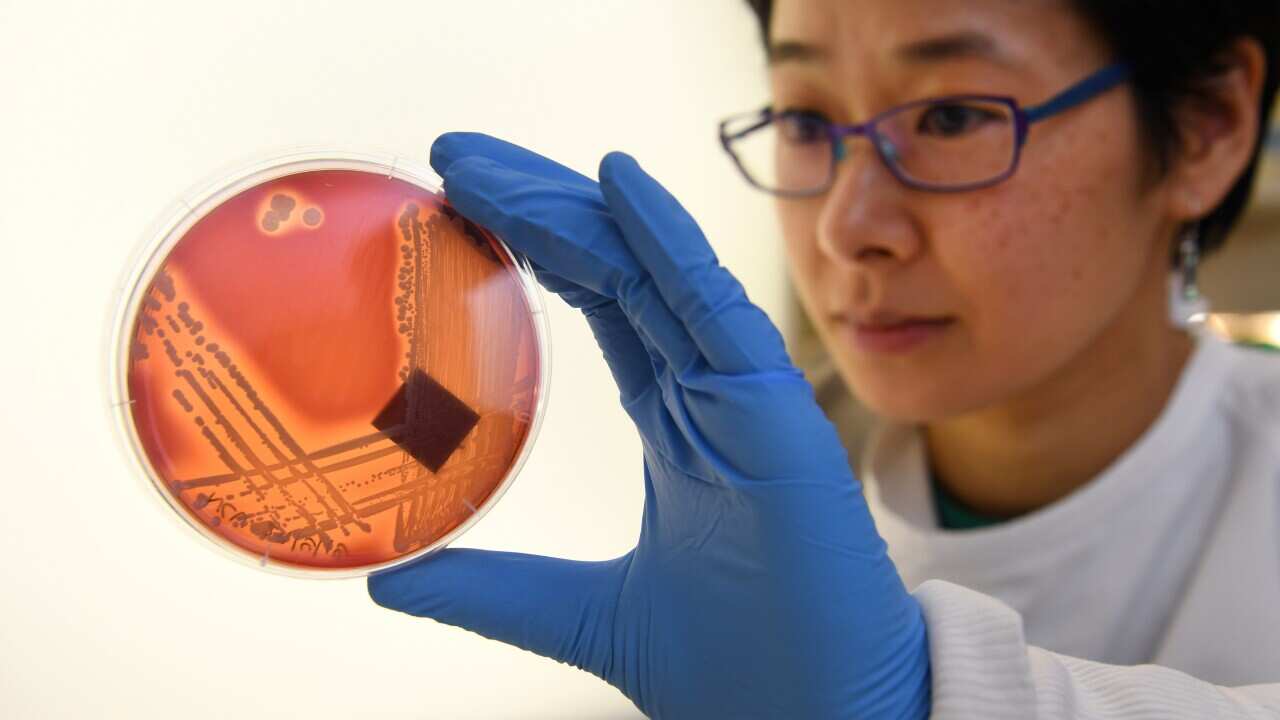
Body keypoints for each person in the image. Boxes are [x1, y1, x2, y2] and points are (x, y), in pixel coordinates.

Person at [368, 0, 1280, 717]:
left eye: (953, 116)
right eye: (805, 121)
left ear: (1206, 125)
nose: (847, 228)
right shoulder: (704, 511)